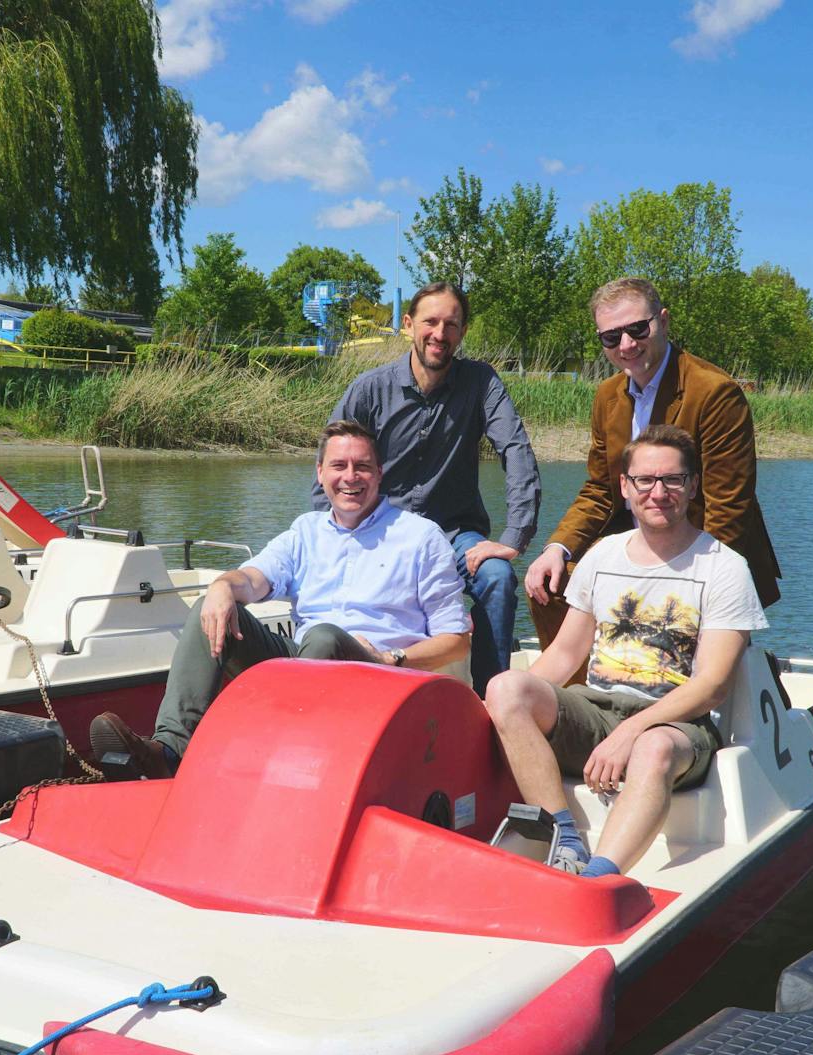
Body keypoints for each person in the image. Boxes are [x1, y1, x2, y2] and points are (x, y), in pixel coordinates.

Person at [91, 419, 471, 778]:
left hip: (380, 674)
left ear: (380, 474)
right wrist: (223, 587)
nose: (351, 477)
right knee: (212, 609)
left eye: (363, 466)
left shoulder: (421, 537)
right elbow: (253, 580)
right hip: (307, 664)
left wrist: (390, 658)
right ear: (320, 473)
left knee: (322, 635)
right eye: (339, 465)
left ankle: (283, 758)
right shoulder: (305, 532)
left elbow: (456, 642)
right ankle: (168, 752)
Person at [486, 425, 767, 877]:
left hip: (678, 727)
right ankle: (565, 840)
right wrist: (496, 712)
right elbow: (563, 656)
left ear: (692, 485)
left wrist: (631, 732)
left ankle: (600, 877)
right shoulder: (602, 556)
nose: (658, 492)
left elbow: (712, 687)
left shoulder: (725, 568)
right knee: (506, 688)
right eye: (645, 480)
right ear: (625, 486)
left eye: (672, 480)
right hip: (597, 712)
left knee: (652, 748)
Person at [524, 277, 779, 667]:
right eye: (611, 338)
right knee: (550, 583)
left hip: (702, 551)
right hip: (636, 544)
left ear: (662, 320)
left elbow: (728, 509)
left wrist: (678, 579)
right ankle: (579, 707)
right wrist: (556, 548)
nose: (626, 345)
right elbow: (600, 490)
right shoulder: (607, 396)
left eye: (636, 329)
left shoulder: (714, 393)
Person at [321, 282, 539, 694]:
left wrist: (514, 537)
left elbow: (516, 449)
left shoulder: (480, 383)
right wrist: (330, 539)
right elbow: (332, 465)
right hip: (382, 534)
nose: (440, 333)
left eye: (451, 324)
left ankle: (492, 704)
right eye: (431, 322)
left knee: (497, 577)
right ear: (408, 325)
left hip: (454, 535)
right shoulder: (369, 389)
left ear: (463, 331)